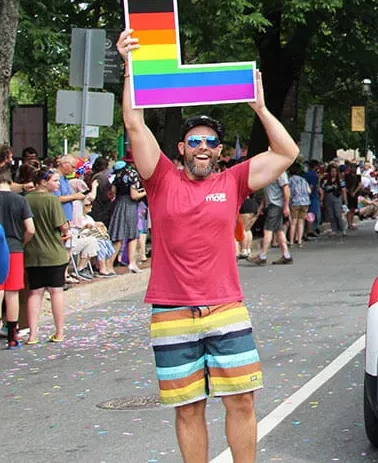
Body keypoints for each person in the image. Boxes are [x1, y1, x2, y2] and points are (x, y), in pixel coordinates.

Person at [116, 29, 298, 462]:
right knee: (189, 409)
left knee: (242, 402)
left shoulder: (232, 181)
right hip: (171, 311)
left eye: (211, 142)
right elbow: (134, 123)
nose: (202, 147)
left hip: (226, 307)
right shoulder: (160, 179)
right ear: (181, 148)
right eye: (194, 140)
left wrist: (259, 107)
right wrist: (130, 68)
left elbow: (286, 151)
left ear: (219, 151)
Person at [23, 167, 71, 344]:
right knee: (56, 291)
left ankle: (32, 334)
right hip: (54, 252)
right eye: (55, 180)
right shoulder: (52, 200)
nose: (58, 184)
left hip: (32, 253)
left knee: (35, 293)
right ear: (43, 182)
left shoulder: (26, 200)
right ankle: (59, 332)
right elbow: (63, 226)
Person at [0, 166, 34, 347]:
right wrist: (21, 242)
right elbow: (30, 229)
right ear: (10, 182)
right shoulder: (20, 201)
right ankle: (12, 336)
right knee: (12, 293)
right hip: (15, 248)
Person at [107, 160, 146, 274]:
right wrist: (145, 192)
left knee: (118, 236)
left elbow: (112, 193)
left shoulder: (117, 176)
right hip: (129, 205)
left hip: (118, 204)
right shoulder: (133, 174)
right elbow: (134, 195)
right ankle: (131, 263)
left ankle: (109, 265)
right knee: (131, 235)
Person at [251, 169, 292, 265]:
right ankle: (286, 255)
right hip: (272, 204)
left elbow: (286, 189)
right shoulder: (269, 173)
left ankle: (263, 255)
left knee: (268, 229)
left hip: (276, 204)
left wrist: (286, 206)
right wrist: (262, 205)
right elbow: (268, 192)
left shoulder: (280, 173)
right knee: (279, 231)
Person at [320, 163, 346, 236]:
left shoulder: (340, 180)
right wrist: (322, 200)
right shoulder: (325, 180)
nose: (333, 173)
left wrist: (345, 201)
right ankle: (334, 229)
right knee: (331, 214)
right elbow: (322, 189)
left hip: (337, 197)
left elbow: (343, 190)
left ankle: (342, 229)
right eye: (331, 171)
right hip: (328, 197)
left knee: (338, 214)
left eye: (334, 171)